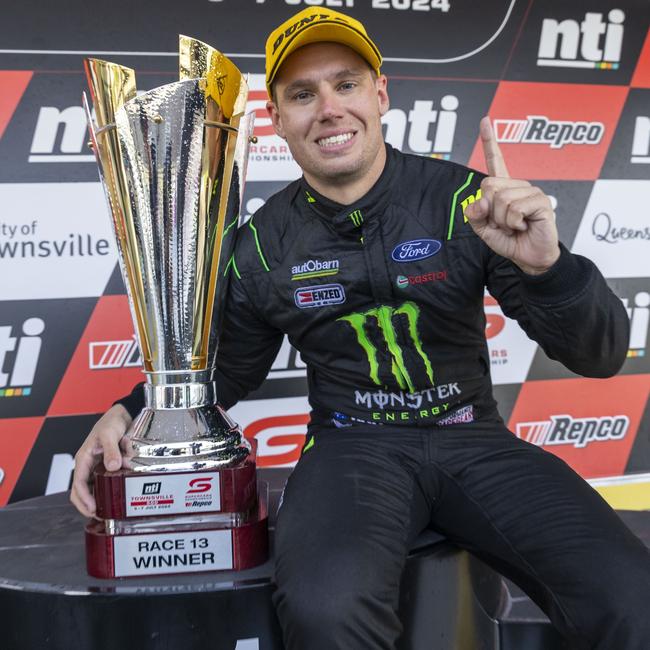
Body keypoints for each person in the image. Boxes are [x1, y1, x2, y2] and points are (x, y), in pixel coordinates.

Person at [71, 8, 650, 649]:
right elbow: (230, 369)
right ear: (276, 118)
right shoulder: (262, 245)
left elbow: (599, 355)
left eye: (346, 84)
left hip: (475, 443)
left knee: (632, 597)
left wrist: (550, 269)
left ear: (380, 94)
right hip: (351, 450)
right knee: (326, 611)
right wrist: (131, 411)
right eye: (301, 94)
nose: (328, 108)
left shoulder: (470, 201)